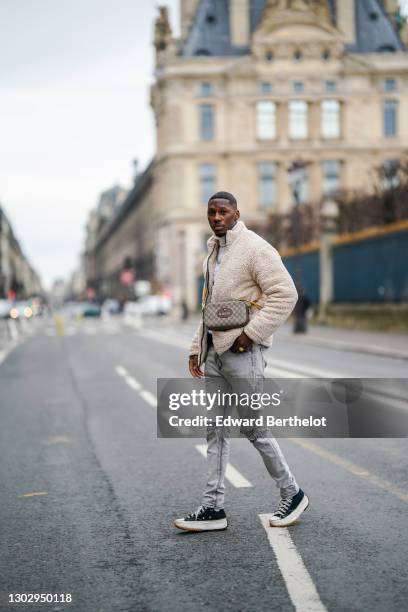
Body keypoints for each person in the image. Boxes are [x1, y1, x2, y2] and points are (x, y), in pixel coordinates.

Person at [174, 191, 309, 532]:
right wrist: (197, 347)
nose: (216, 217)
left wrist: (250, 335)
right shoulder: (213, 251)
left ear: (236, 213)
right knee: (215, 430)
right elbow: (211, 306)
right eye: (211, 212)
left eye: (223, 212)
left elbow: (285, 294)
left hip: (244, 353)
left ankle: (292, 493)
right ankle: (212, 507)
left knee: (253, 427)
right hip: (216, 355)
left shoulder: (255, 248)